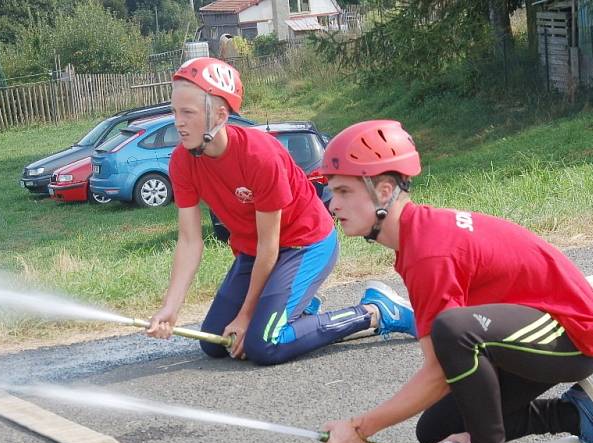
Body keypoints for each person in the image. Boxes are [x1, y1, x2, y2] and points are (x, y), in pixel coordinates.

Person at [319, 120, 593, 443]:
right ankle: (573, 413)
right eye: (330, 191)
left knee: (454, 332)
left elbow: (441, 367)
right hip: (526, 336)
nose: (331, 204)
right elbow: (439, 371)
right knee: (434, 431)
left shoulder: (428, 252)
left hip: (572, 334)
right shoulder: (416, 240)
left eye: (342, 191)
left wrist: (360, 427)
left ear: (384, 191)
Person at [147, 59, 418, 365]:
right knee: (215, 342)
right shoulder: (182, 162)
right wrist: (171, 306)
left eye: (188, 113)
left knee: (264, 344)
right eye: (174, 112)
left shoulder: (259, 156)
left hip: (305, 245)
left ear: (219, 115)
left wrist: (247, 316)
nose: (178, 122)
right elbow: (189, 241)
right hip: (255, 252)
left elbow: (270, 245)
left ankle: (375, 312)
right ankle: (297, 308)